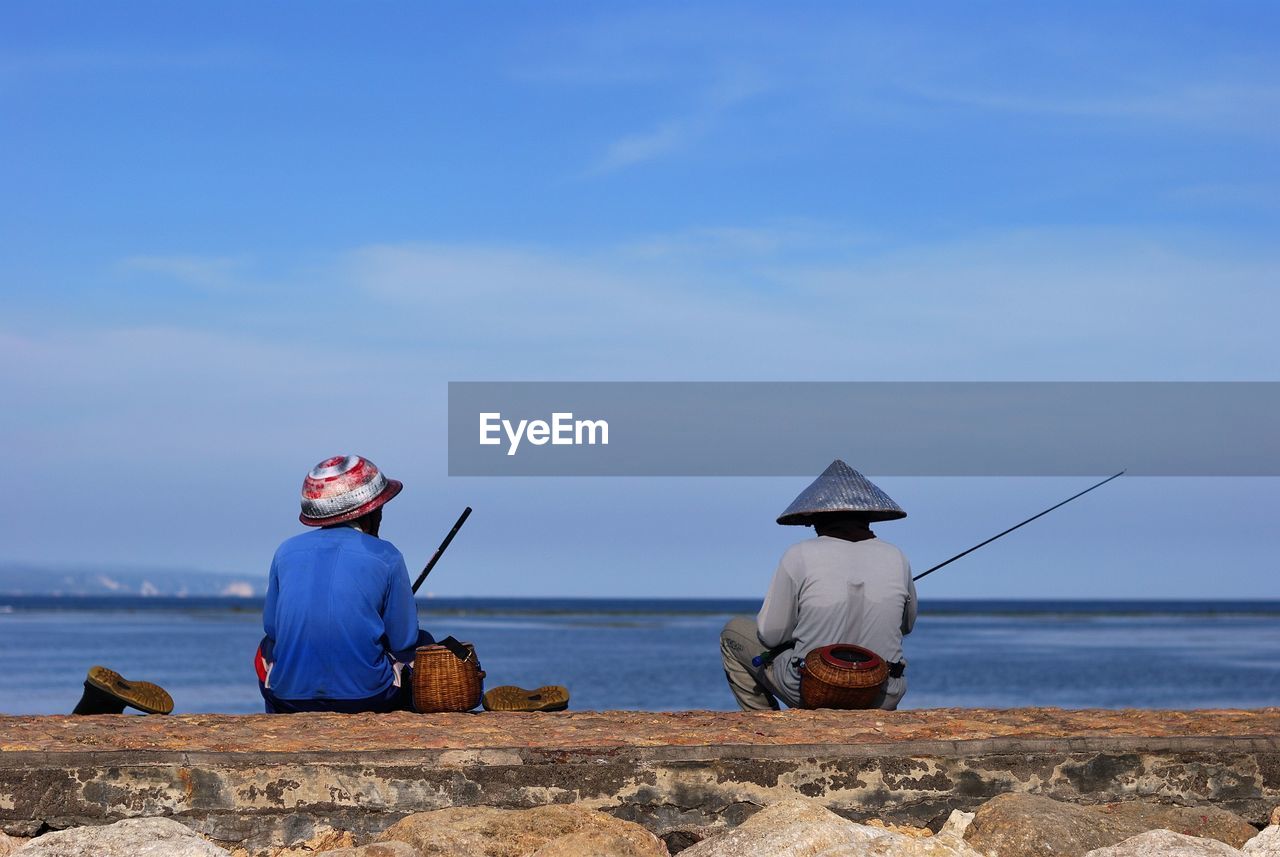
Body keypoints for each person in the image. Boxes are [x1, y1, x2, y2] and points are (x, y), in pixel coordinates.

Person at [720, 459, 916, 711]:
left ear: (815, 517)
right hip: (883, 693)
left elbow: (770, 635)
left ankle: (766, 728)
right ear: (869, 516)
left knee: (731, 632)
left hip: (816, 689)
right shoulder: (896, 556)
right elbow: (906, 626)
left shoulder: (799, 555)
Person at [256, 454, 434, 713]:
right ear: (370, 512)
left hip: (288, 697)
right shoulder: (387, 555)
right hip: (369, 697)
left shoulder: (285, 551)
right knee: (422, 642)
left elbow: (272, 629)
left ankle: (281, 728)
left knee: (266, 648)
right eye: (380, 510)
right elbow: (404, 639)